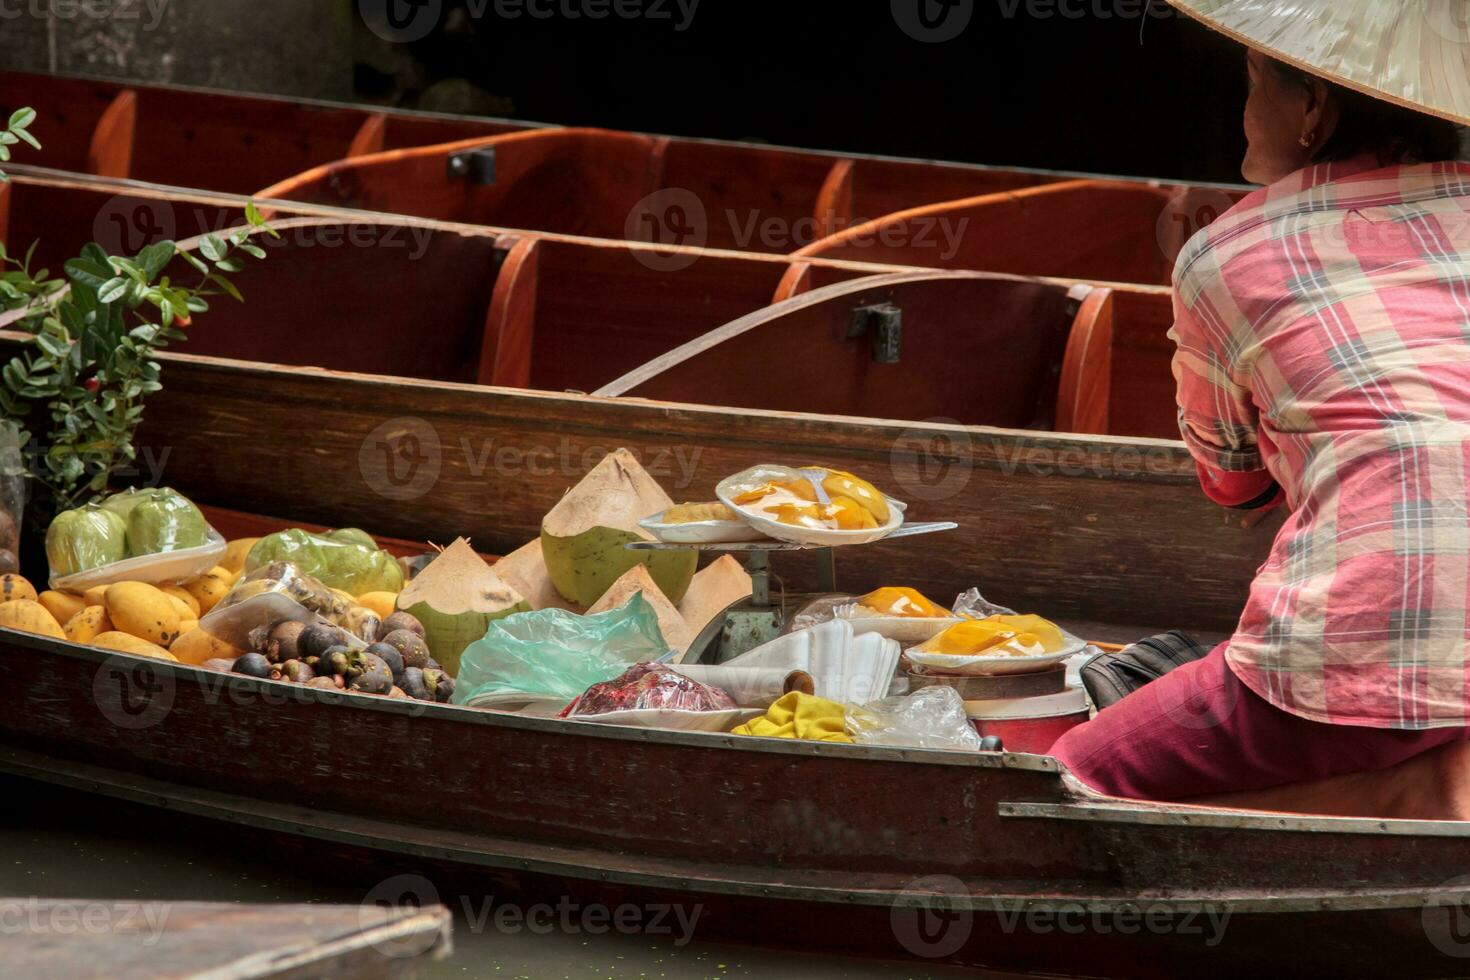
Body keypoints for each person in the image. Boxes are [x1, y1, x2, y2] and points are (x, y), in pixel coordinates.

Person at [1051, 29, 1470, 802]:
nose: (1242, 112)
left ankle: (1415, 799)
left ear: (1312, 104)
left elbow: (1233, 482)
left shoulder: (1227, 251)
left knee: (1073, 782)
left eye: (1253, 84)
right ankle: (1426, 792)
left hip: (1369, 646)